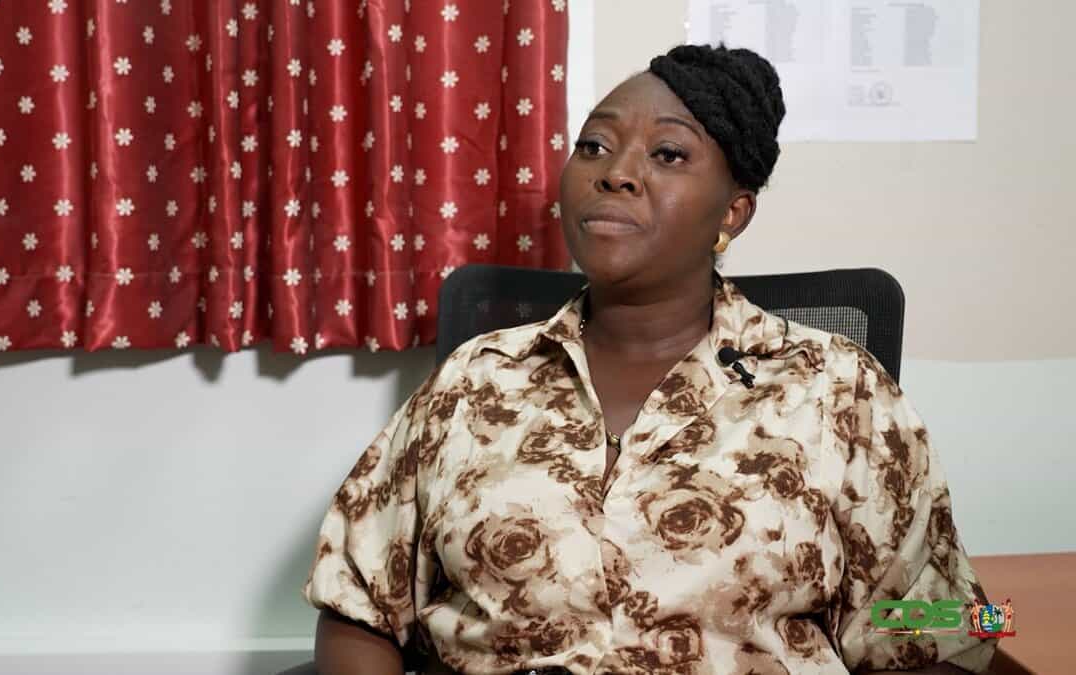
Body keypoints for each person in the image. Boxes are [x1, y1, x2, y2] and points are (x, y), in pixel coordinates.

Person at [303, 44, 998, 674]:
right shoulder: (474, 379)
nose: (616, 174)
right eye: (594, 146)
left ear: (733, 213)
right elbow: (358, 604)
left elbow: (949, 625)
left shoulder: (839, 389)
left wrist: (979, 619)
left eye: (668, 154)